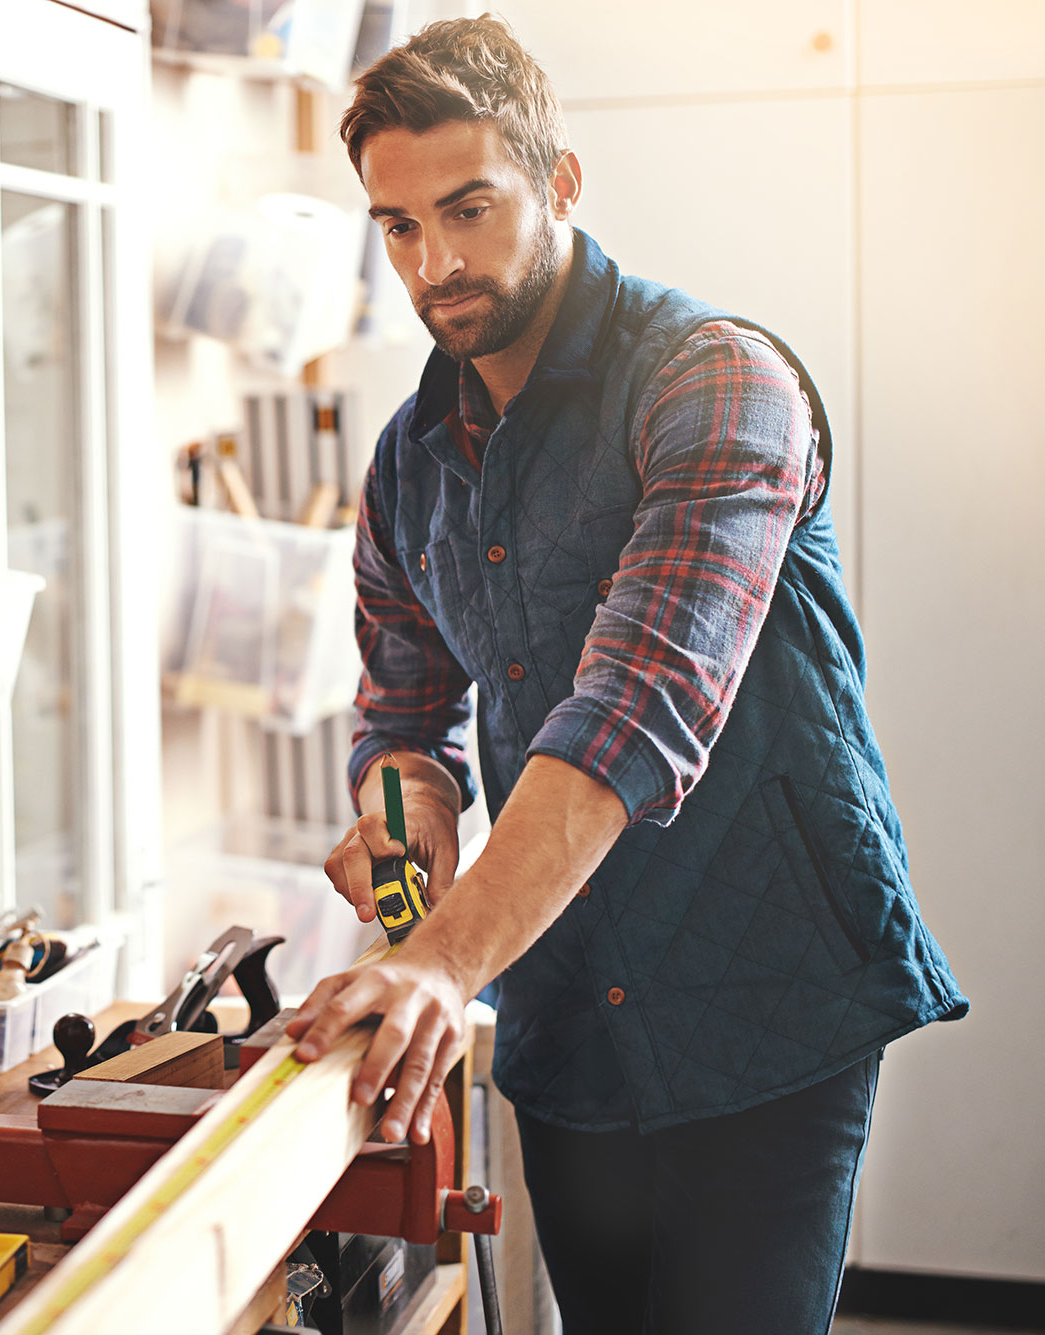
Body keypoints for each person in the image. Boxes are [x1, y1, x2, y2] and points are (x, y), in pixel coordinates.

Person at [283, 18, 967, 1333]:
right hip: (567, 1026)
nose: (436, 263)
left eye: (470, 209)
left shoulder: (717, 380)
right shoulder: (409, 463)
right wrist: (401, 810)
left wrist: (443, 960)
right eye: (400, 226)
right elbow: (401, 712)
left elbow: (640, 706)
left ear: (561, 183)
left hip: (764, 1007)